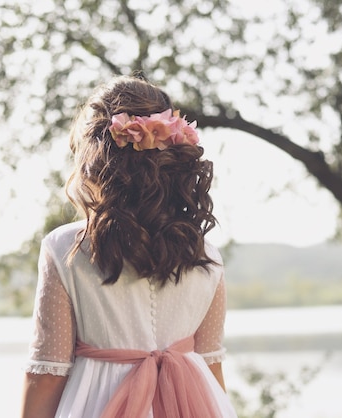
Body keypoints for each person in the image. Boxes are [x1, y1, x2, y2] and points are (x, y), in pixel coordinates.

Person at [20, 75, 237, 418]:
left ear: (94, 157)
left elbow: (48, 372)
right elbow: (211, 367)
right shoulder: (205, 255)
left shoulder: (67, 249)